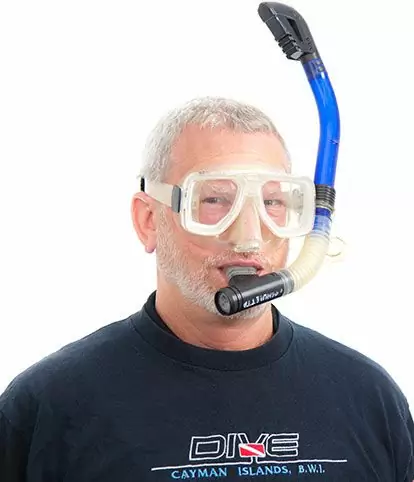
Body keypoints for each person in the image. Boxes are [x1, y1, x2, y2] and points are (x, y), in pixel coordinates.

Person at [0, 96, 413, 481]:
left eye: (272, 202)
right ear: (148, 220)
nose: (249, 237)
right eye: (214, 200)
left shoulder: (369, 398)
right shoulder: (49, 409)